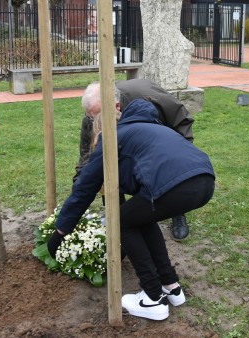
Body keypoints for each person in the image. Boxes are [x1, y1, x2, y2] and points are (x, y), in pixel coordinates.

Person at [48, 98, 215, 321]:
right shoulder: (150, 127)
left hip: (176, 184)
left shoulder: (113, 138)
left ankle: (153, 297)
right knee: (139, 218)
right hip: (204, 179)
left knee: (119, 221)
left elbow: (84, 190)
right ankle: (171, 286)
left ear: (101, 131)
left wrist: (61, 231)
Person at [74, 79, 195, 240]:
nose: (95, 120)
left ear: (116, 105)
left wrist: (181, 153)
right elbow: (87, 155)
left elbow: (181, 120)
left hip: (163, 135)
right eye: (92, 116)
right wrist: (77, 193)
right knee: (107, 167)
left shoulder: (147, 95)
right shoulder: (92, 113)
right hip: (133, 137)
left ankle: (178, 213)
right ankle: (119, 218)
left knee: (165, 175)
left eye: (98, 115)